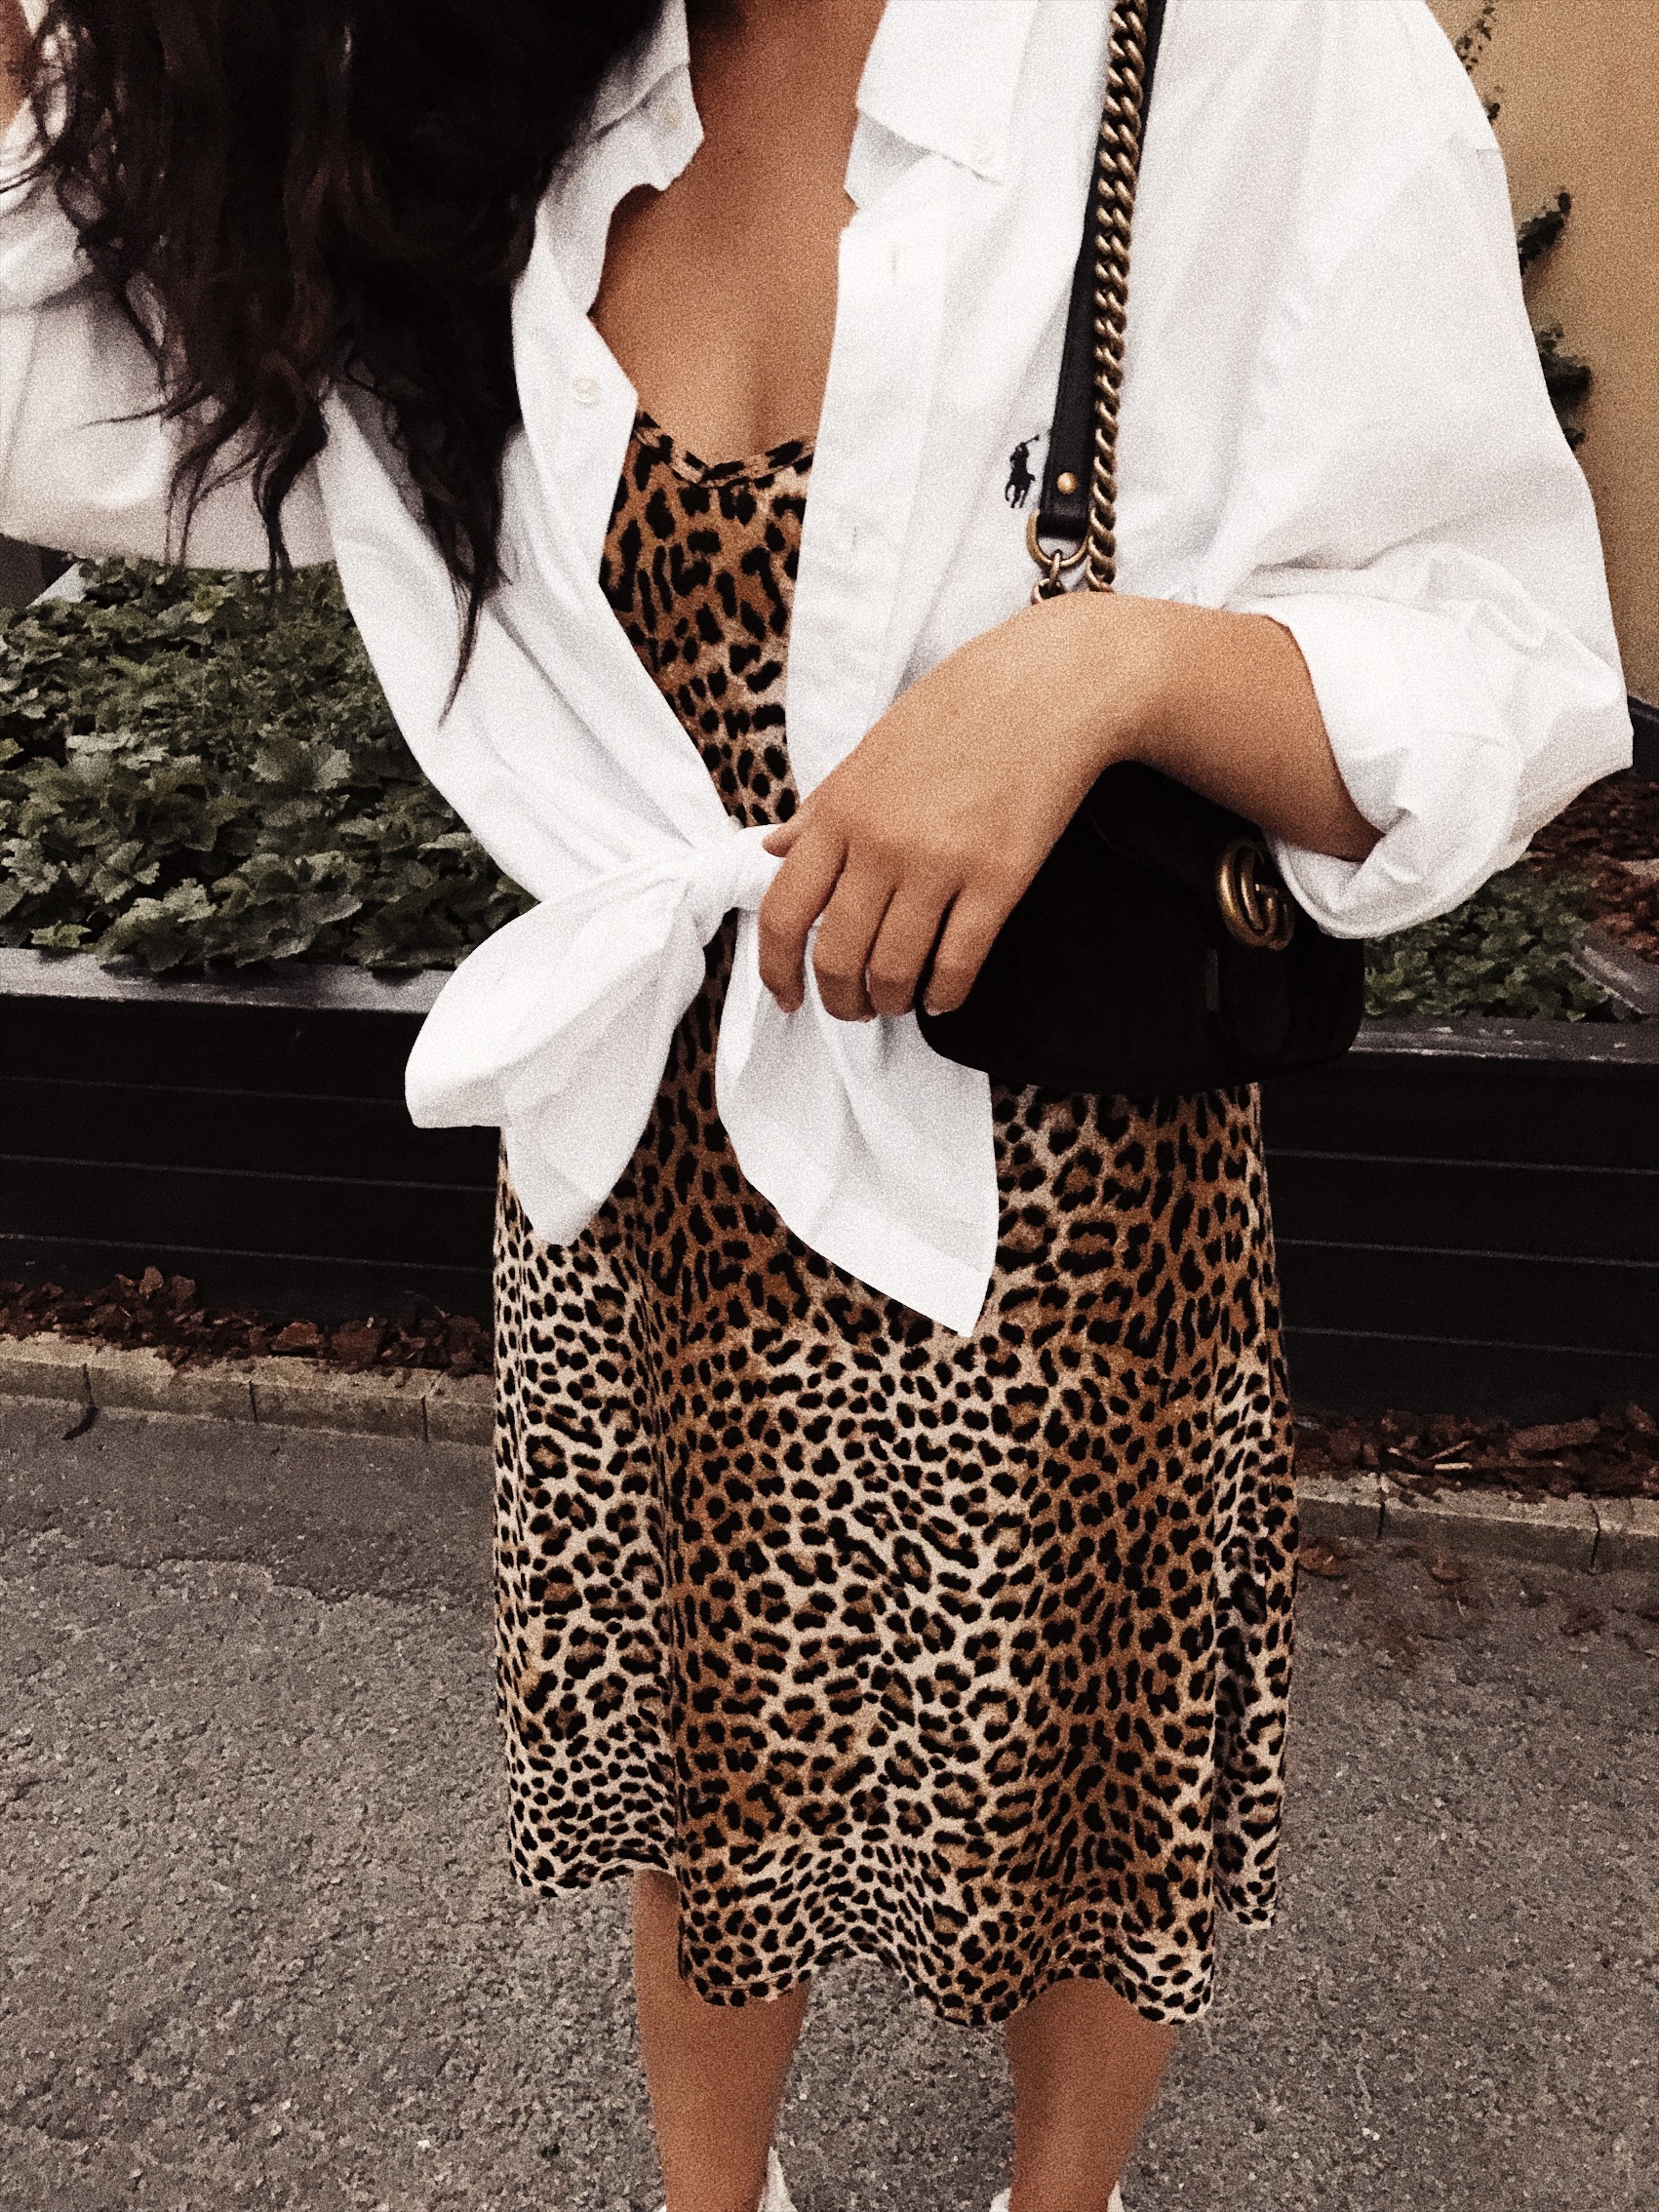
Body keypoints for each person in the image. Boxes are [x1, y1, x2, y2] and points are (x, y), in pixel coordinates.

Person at [0, 3, 1630, 2208]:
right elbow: (70, 401)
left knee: (1092, 1761)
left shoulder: (1245, 43)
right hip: (650, 1136)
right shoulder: (493, 59)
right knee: (706, 1740)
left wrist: (1099, 668)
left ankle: (1060, 2199)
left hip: (1051, 1162)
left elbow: (1499, 665)